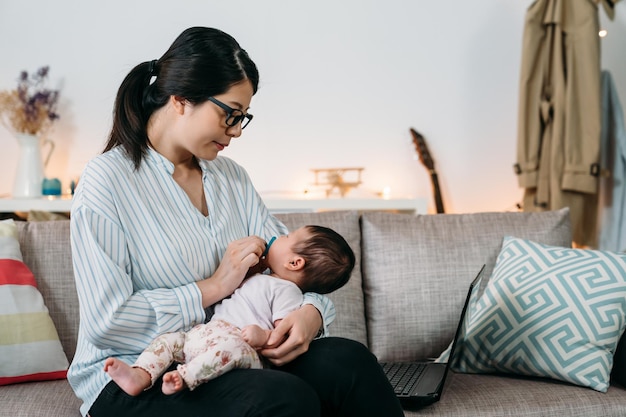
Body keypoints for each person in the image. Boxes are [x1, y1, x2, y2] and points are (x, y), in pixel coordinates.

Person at [68, 26, 404, 417]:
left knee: (349, 361)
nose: (236, 132)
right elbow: (108, 323)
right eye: (230, 114)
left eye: (243, 118)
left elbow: (290, 259)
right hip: (138, 372)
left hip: (229, 352)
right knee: (283, 398)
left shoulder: (232, 179)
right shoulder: (106, 182)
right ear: (180, 99)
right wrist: (214, 287)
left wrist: (310, 314)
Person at [103, 224, 355, 396]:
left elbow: (283, 335)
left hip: (241, 346)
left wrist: (262, 336)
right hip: (206, 333)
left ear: (294, 262)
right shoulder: (262, 277)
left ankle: (186, 377)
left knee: (230, 350)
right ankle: (141, 374)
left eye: (287, 237)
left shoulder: (287, 292)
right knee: (168, 341)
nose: (279, 236)